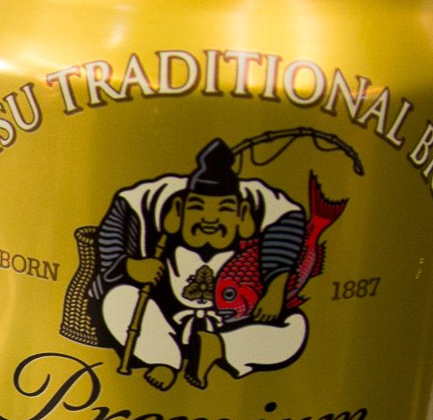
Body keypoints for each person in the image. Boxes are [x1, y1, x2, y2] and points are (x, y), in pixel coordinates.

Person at [89, 137, 312, 390]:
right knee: (118, 300)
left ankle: (217, 347)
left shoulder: (254, 242)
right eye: (198, 208)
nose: (210, 219)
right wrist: (131, 266)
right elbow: (115, 228)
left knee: (294, 330)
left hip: (230, 326)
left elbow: (287, 222)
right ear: (179, 210)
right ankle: (164, 359)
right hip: (163, 324)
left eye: (224, 209)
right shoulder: (154, 216)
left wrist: (275, 289)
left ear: (242, 216)